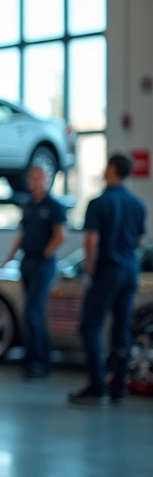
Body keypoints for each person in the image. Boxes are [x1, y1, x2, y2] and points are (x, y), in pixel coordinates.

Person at [70, 153, 147, 406]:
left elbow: (91, 240)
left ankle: (97, 386)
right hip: (130, 271)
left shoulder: (99, 203)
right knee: (122, 329)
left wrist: (91, 268)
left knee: (90, 327)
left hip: (108, 271)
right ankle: (118, 387)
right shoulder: (138, 205)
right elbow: (139, 242)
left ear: (112, 169)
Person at [3, 166, 66, 378]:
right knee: (33, 313)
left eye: (38, 177)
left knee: (33, 312)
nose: (35, 181)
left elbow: (61, 234)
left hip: (42, 263)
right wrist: (11, 256)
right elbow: (23, 234)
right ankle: (37, 358)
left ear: (46, 180)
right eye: (32, 177)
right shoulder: (28, 205)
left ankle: (38, 362)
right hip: (27, 261)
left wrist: (45, 253)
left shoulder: (54, 206)